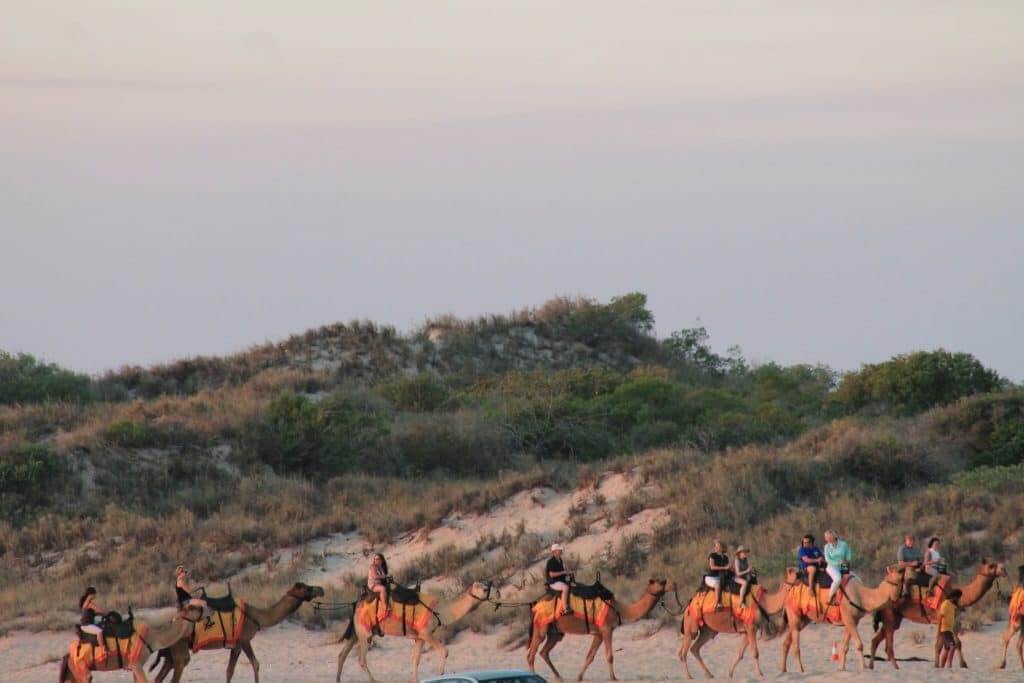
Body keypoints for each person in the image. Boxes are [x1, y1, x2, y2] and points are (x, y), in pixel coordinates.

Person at [823, 530, 852, 606]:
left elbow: (848, 555)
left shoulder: (843, 544)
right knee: (838, 579)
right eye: (826, 538)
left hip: (844, 564)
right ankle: (830, 598)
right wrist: (838, 563)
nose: (827, 539)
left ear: (833, 536)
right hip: (832, 566)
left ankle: (842, 597)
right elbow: (827, 560)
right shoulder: (827, 547)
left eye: (828, 537)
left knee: (849, 577)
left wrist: (846, 564)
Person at [937, 588, 962, 668]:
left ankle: (941, 666)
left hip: (949, 630)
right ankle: (949, 665)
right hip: (944, 629)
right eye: (958, 597)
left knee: (947, 648)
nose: (959, 599)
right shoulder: (945, 604)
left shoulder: (952, 605)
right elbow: (940, 617)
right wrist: (939, 631)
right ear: (955, 597)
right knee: (952, 646)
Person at [546, 544, 573, 616]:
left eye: (560, 550)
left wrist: (568, 573)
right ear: (554, 552)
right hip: (553, 582)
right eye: (559, 550)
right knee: (565, 587)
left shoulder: (560, 560)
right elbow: (551, 574)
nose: (561, 551)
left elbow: (562, 573)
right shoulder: (551, 561)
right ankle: (565, 609)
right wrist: (563, 572)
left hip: (560, 581)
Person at [705, 540, 731, 610]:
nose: (716, 547)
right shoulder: (712, 555)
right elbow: (712, 567)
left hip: (721, 577)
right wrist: (724, 568)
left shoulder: (725, 557)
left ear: (722, 547)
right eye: (715, 546)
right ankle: (718, 604)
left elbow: (727, 567)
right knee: (717, 585)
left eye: (718, 546)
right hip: (711, 578)